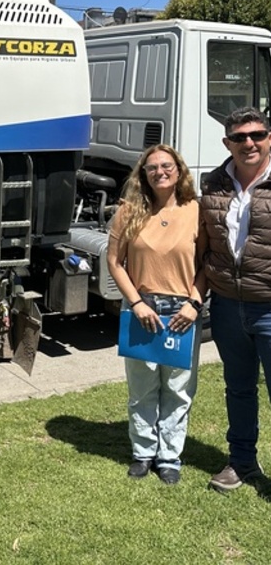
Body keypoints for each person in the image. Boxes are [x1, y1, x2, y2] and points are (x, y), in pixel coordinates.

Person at [107, 144, 205, 485]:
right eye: (152, 168)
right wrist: (136, 302)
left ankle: (169, 457)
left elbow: (206, 264)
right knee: (142, 387)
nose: (160, 172)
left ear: (178, 170)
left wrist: (194, 303)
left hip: (182, 311)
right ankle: (143, 452)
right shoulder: (128, 210)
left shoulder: (196, 210)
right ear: (143, 174)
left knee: (178, 389)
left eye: (166, 165)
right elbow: (114, 262)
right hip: (141, 307)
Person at [201, 106, 271, 492]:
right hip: (227, 306)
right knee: (239, 388)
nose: (249, 143)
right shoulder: (213, 184)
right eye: (240, 137)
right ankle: (241, 463)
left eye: (257, 135)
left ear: (269, 138)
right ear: (227, 142)